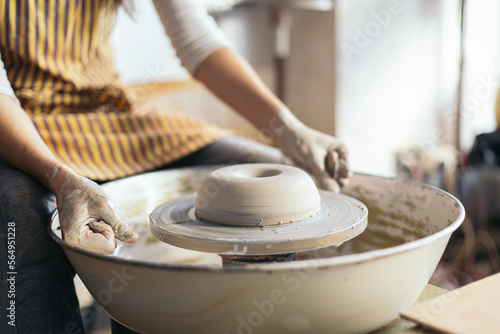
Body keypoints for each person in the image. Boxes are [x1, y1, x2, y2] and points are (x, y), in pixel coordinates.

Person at [0, 0, 349, 332]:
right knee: (21, 217)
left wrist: (288, 129)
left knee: (274, 178)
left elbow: (196, 39)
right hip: (21, 128)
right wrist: (59, 178)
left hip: (110, 117)